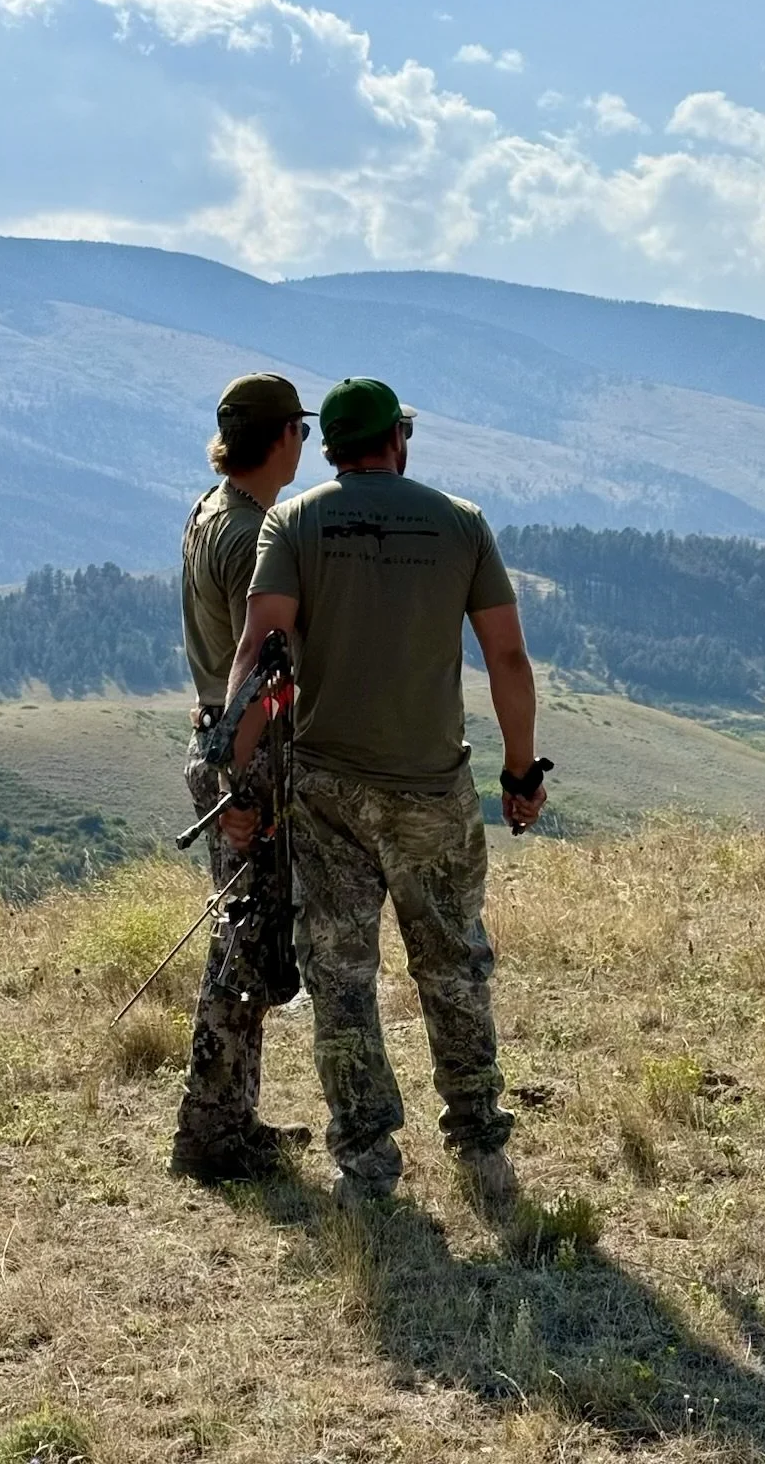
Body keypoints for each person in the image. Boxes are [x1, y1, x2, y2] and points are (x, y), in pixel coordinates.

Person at [222, 377, 548, 1212]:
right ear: (398, 440)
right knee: (453, 967)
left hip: (329, 787)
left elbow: (260, 650)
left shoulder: (295, 523)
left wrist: (238, 772)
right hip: (432, 788)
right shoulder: (461, 523)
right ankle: (481, 1150)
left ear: (327, 449)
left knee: (341, 975)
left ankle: (367, 1161)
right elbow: (507, 658)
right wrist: (520, 771)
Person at [170, 371, 316, 1183]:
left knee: (247, 935)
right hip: (248, 752)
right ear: (281, 437)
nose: (305, 443)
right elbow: (259, 662)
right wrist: (241, 776)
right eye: (299, 428)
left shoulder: (207, 513)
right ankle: (208, 1130)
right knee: (245, 942)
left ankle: (234, 1120)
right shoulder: (259, 536)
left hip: (218, 737)